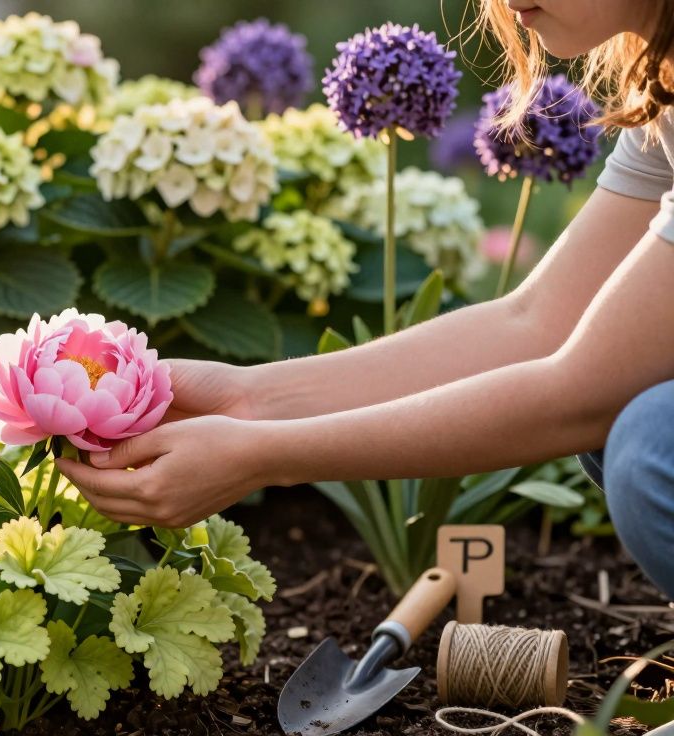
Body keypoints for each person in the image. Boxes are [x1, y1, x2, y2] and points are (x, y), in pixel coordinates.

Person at [57, 0, 674, 599]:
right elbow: (537, 323)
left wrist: (258, 456)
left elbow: (578, 394)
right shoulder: (661, 88)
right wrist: (249, 399)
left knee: (647, 444)